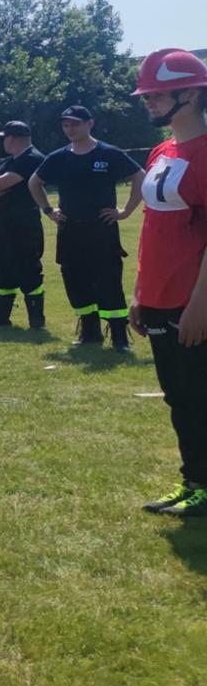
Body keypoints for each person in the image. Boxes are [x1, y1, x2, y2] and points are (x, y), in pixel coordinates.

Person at [126, 49, 207, 516]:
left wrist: (199, 305)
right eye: (148, 95)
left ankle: (203, 485)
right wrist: (140, 293)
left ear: (191, 93)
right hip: (158, 298)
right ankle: (194, 480)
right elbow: (154, 231)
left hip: (193, 302)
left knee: (199, 397)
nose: (149, 101)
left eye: (158, 94)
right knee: (179, 397)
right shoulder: (162, 151)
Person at [28, 105, 146, 350]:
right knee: (74, 279)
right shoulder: (58, 157)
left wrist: (125, 211)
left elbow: (140, 176)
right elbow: (34, 182)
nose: (70, 129)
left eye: (76, 124)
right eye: (66, 125)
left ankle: (119, 337)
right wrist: (49, 210)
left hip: (101, 229)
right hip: (70, 230)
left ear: (89, 124)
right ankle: (90, 332)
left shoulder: (108, 153)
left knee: (108, 280)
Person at [0, 121, 49, 329]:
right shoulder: (8, 161)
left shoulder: (32, 159)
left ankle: (36, 320)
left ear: (12, 138)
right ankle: (1, 316)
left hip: (22, 224)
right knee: (2, 270)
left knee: (28, 269)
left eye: (4, 138)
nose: (3, 142)